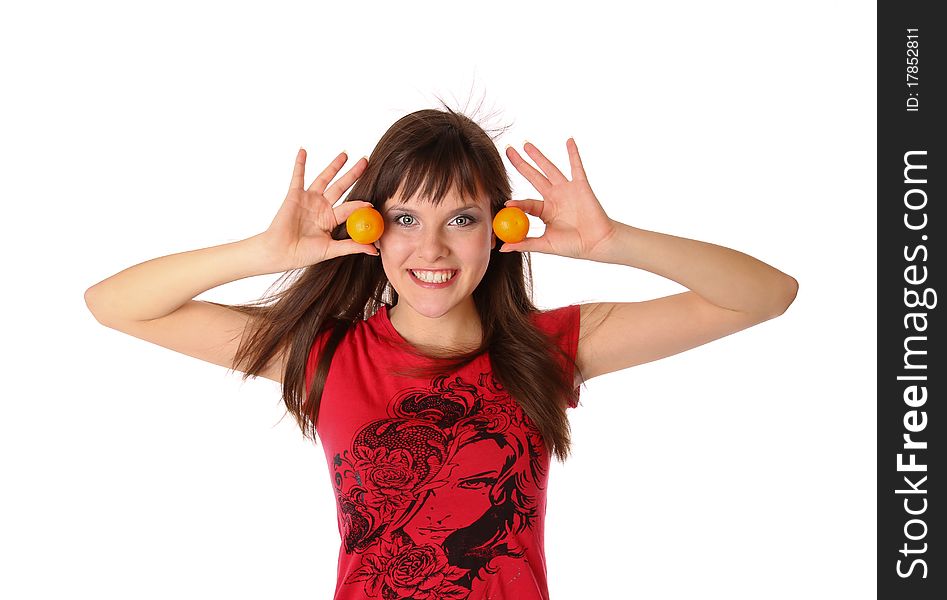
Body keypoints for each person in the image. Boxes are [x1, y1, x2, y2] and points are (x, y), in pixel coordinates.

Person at [84, 103, 798, 599]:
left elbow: (764, 295)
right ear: (370, 231)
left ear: (499, 227)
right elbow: (113, 305)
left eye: (460, 218)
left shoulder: (551, 349)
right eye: (404, 218)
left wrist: (617, 243)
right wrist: (262, 251)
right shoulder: (325, 356)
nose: (431, 249)